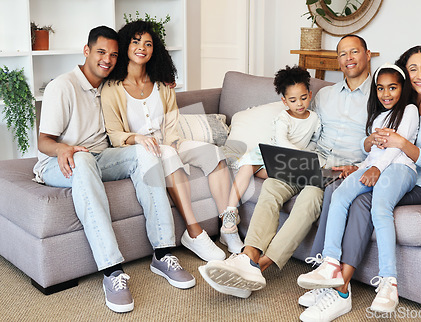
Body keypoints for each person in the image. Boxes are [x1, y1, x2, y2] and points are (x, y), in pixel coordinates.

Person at [33, 26, 195, 314]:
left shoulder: (109, 87)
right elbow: (44, 141)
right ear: (87, 51)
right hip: (60, 162)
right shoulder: (63, 85)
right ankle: (112, 270)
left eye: (113, 54)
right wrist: (64, 149)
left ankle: (163, 252)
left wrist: (160, 83)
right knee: (82, 160)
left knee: (146, 151)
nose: (107, 59)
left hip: (100, 157)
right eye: (100, 52)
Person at [198, 34, 373, 299]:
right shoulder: (324, 96)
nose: (348, 58)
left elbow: (382, 140)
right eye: (342, 54)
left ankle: (260, 266)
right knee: (271, 185)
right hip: (311, 160)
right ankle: (248, 256)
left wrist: (360, 165)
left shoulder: (379, 94)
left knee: (311, 198)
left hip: (342, 169)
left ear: (367, 54)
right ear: (338, 60)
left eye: (354, 52)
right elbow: (302, 121)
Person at [301, 45, 421, 321]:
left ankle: (341, 287)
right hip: (386, 172)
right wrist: (362, 165)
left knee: (365, 201)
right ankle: (326, 266)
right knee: (337, 188)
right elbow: (375, 147)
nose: (420, 75)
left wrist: (399, 146)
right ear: (404, 74)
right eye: (413, 69)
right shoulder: (396, 106)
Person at [101, 21, 231, 262]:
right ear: (125, 45)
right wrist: (136, 138)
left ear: (154, 50)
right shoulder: (112, 88)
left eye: (148, 44)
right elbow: (114, 133)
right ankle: (194, 232)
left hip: (169, 144)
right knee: (169, 155)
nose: (142, 48)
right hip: (141, 151)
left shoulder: (162, 84)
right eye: (136, 41)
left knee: (213, 153)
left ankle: (227, 226)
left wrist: (172, 142)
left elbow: (172, 121)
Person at [297, 63, 419, 321]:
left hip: (399, 168)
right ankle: (330, 263)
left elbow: (397, 149)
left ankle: (389, 281)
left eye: (393, 88)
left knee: (380, 207)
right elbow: (370, 150)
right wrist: (363, 164)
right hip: (373, 165)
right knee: (340, 194)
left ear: (403, 89)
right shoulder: (376, 116)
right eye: (381, 88)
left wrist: (375, 168)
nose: (386, 93)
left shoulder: (408, 110)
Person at [219, 65, 321, 253]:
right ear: (284, 101)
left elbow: (314, 142)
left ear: (310, 94)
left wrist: (309, 158)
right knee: (247, 168)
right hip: (269, 152)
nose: (299, 104)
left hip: (289, 160)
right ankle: (230, 213)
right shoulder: (284, 118)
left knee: (278, 176)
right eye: (293, 100)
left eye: (303, 98)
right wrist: (304, 155)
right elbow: (282, 141)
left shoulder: (314, 118)